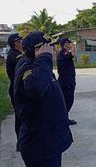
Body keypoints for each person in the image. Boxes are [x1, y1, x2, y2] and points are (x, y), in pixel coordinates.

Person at [14, 31, 73, 167]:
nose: (52, 50)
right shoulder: (30, 68)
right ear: (37, 50)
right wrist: (44, 59)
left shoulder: (40, 67)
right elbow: (35, 86)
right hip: (40, 144)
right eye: (48, 47)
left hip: (49, 140)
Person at [6, 33, 23, 151]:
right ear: (15, 43)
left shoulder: (16, 54)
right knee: (21, 116)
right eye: (20, 40)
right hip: (17, 90)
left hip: (18, 89)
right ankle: (20, 142)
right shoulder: (15, 56)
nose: (22, 42)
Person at [57, 37, 77, 126]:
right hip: (66, 81)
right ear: (65, 44)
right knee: (68, 100)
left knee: (67, 100)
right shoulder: (63, 53)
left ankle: (64, 118)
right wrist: (74, 45)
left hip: (67, 80)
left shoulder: (62, 53)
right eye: (68, 43)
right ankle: (63, 119)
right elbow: (73, 54)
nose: (70, 45)